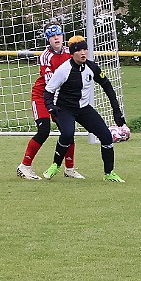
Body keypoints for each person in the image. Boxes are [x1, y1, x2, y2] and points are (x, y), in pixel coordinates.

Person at [43, 35, 126, 182]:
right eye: (79, 50)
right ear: (72, 53)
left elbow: (107, 86)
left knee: (106, 137)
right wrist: (50, 107)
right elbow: (48, 91)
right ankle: (55, 165)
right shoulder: (64, 70)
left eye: (85, 50)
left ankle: (109, 174)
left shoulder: (92, 67)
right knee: (68, 134)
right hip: (65, 109)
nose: (83, 53)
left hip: (83, 108)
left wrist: (116, 110)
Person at [17, 21, 84, 180]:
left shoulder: (71, 52)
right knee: (44, 130)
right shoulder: (45, 56)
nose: (56, 38)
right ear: (48, 39)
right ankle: (24, 166)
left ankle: (69, 169)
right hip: (42, 96)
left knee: (68, 132)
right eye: (52, 36)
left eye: (58, 35)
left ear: (62, 36)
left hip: (60, 97)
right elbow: (50, 82)